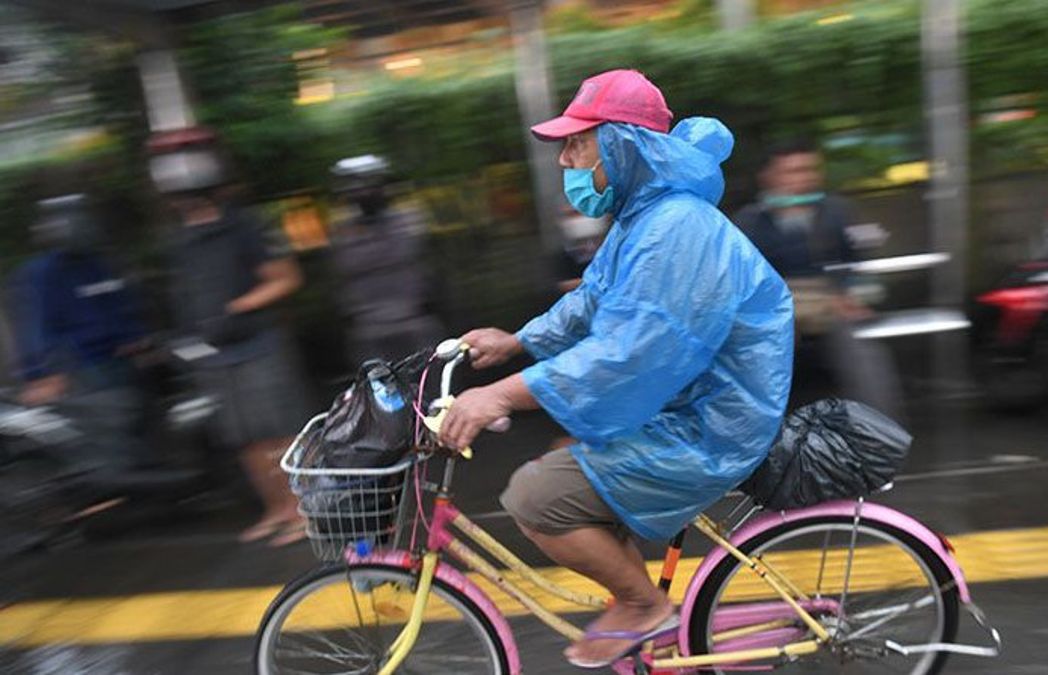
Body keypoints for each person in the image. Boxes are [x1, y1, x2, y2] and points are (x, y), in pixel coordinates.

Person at [438, 69, 794, 668]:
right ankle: (640, 614)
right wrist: (516, 341)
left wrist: (497, 396)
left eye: (577, 142)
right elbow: (591, 302)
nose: (564, 161)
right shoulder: (645, 218)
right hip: (686, 404)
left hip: (709, 425)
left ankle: (641, 606)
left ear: (622, 144)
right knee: (567, 459)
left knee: (536, 497)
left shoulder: (675, 228)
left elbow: (627, 354)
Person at [150, 128, 310, 547]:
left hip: (257, 344)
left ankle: (304, 510)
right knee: (244, 438)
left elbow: (285, 278)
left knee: (279, 432)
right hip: (214, 353)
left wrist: (237, 309)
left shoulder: (245, 224)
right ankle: (276, 510)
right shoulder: (178, 238)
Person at [735, 139, 902, 417]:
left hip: (832, 304)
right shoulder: (750, 222)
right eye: (792, 171)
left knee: (865, 358)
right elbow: (740, 278)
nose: (803, 179)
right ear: (769, 177)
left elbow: (863, 265)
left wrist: (855, 296)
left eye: (809, 170)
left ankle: (882, 432)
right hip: (777, 309)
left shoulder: (838, 213)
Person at [7, 195, 150, 472]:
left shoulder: (100, 263)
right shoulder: (42, 273)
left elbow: (121, 304)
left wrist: (136, 339)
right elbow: (35, 326)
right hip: (81, 368)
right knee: (109, 434)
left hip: (118, 361)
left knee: (133, 422)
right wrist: (40, 374)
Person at [328, 155, 443, 366]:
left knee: (430, 389)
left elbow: (430, 270)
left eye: (368, 183)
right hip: (369, 330)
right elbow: (343, 275)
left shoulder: (410, 221)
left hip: (414, 323)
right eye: (352, 185)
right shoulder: (342, 232)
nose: (360, 191)